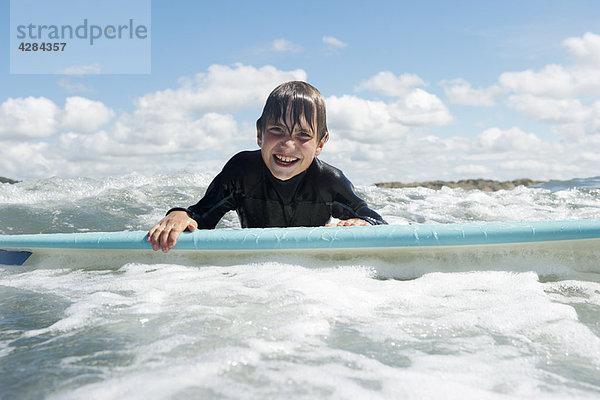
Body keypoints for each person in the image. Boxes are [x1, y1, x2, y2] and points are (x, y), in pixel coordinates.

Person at [147, 81, 386, 252]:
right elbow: (201, 217)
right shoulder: (241, 172)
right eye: (277, 130)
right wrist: (179, 215)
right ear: (260, 133)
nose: (288, 144)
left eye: (303, 135)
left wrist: (365, 224)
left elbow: (376, 222)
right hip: (255, 270)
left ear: (320, 143)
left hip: (311, 272)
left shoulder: (328, 181)